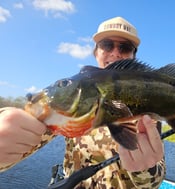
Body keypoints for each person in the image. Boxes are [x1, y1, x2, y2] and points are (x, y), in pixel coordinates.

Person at [0, 16, 165, 188]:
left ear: (133, 56)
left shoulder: (148, 106)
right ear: (96, 52)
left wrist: (145, 169)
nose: (116, 53)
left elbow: (155, 180)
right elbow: (27, 133)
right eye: (107, 45)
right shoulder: (70, 97)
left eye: (125, 48)